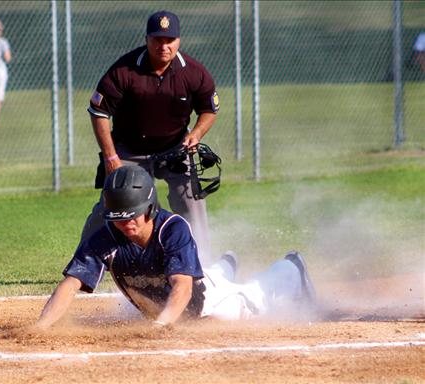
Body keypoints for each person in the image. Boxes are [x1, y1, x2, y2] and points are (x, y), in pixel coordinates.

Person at [35, 166, 316, 329]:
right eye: (119, 219)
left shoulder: (172, 228)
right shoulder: (105, 236)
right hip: (175, 298)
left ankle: (292, 267)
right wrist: (39, 327)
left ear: (149, 208)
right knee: (208, 273)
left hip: (206, 305)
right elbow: (71, 284)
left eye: (132, 216)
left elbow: (182, 286)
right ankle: (224, 265)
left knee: (253, 298)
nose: (126, 224)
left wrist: (162, 324)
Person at [83, 10, 220, 262]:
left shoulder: (193, 72)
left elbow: (209, 109)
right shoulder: (125, 70)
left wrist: (197, 133)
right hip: (130, 150)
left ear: (178, 41)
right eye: (157, 39)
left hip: (174, 148)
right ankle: (87, 259)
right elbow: (99, 112)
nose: (163, 46)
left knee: (191, 201)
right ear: (146, 39)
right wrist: (111, 157)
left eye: (169, 40)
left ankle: (201, 262)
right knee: (113, 201)